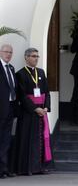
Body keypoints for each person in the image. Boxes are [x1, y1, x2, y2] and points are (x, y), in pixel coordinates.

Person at [15, 48, 53, 175]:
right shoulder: (20, 74)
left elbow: (47, 92)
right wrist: (35, 108)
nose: (36, 58)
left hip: (42, 111)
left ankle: (41, 167)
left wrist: (46, 107)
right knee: (29, 140)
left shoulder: (41, 72)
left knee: (42, 139)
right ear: (26, 58)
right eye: (33, 56)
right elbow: (22, 95)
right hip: (28, 113)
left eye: (37, 56)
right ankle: (28, 168)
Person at [0, 44, 18, 179]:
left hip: (10, 108)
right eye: (6, 52)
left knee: (6, 140)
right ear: (0, 52)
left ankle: (4, 168)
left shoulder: (11, 68)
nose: (9, 54)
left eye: (11, 52)